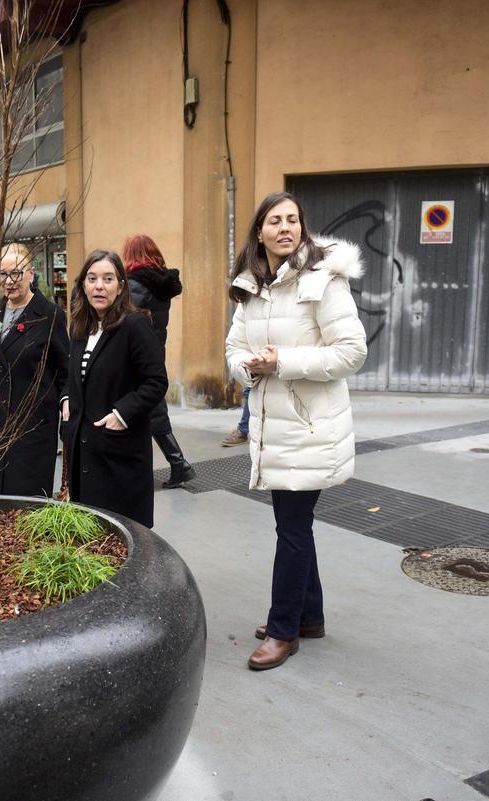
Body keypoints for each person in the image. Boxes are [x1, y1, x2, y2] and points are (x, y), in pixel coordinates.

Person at [225, 191, 367, 672]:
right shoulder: (251, 286)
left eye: (293, 220)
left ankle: (284, 629)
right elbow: (233, 347)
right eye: (274, 221)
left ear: (301, 228)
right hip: (273, 427)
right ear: (259, 232)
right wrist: (248, 368)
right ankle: (310, 616)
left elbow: (351, 352)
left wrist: (282, 362)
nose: (285, 228)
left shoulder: (323, 282)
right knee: (294, 525)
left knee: (291, 529)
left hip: (309, 428)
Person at [63, 250, 168, 527]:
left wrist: (122, 414)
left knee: (121, 539)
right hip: (84, 453)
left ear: (120, 287)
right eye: (93, 278)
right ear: (83, 285)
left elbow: (156, 381)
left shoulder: (135, 326)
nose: (99, 286)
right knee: (89, 535)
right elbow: (73, 374)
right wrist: (66, 396)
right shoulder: (80, 328)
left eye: (108, 279)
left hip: (119, 457)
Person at [0, 243, 70, 498]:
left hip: (32, 428)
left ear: (31, 273)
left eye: (16, 273)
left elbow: (65, 370)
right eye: (3, 274)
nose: (9, 281)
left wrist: (64, 402)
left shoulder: (49, 315)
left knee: (26, 504)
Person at [123, 234, 196, 488]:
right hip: (156, 352)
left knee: (139, 409)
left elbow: (124, 320)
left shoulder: (133, 285)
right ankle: (178, 464)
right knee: (152, 408)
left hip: (135, 356)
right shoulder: (161, 284)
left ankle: (178, 464)